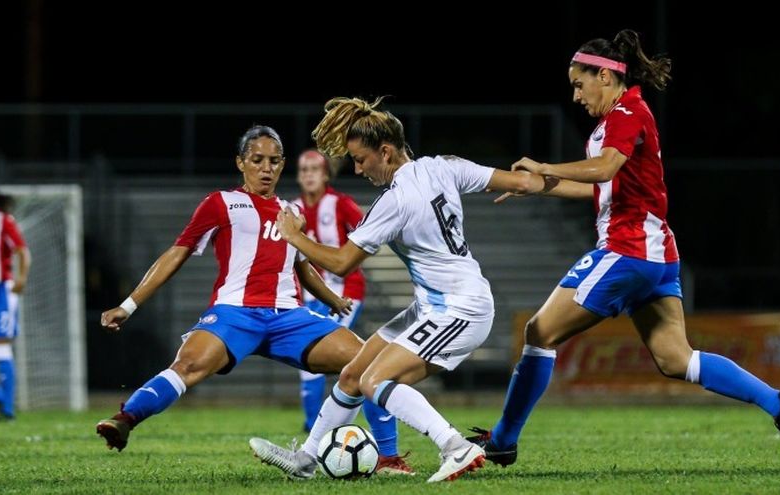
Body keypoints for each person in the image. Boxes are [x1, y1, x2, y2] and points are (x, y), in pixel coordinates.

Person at [466, 29, 780, 465]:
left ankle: (502, 440)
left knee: (539, 332)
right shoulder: (622, 117)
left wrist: (546, 166)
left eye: (578, 84)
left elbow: (605, 168)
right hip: (657, 255)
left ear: (604, 76)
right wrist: (537, 185)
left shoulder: (627, 112)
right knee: (676, 359)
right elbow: (603, 186)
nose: (575, 96)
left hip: (627, 250)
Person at [247, 96, 553, 483]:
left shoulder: (395, 200)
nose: (358, 169)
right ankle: (306, 459)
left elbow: (341, 262)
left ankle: (455, 446)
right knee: (354, 374)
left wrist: (294, 236)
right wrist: (593, 184)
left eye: (361, 159)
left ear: (386, 152)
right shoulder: (442, 166)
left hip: (458, 309)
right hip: (433, 305)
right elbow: (524, 181)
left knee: (376, 381)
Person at [95, 125, 367, 451]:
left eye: (274, 161)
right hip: (235, 313)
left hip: (288, 316)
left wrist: (333, 299)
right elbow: (176, 254)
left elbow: (303, 268)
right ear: (240, 162)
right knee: (187, 366)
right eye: (257, 160)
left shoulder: (292, 213)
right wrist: (128, 306)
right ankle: (125, 419)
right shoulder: (220, 203)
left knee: (366, 361)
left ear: (282, 165)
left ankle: (384, 455)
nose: (266, 168)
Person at [291, 149, 412, 475]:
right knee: (312, 368)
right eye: (303, 169)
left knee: (358, 363)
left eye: (314, 168)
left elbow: (369, 233)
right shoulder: (293, 210)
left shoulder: (340, 203)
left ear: (326, 174)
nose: (309, 174)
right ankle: (315, 432)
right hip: (308, 296)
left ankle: (380, 448)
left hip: (344, 293)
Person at [0, 181, 30, 422]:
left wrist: (21, 278)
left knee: (1, 344)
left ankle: (7, 409)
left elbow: (22, 251)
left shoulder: (3, 220)